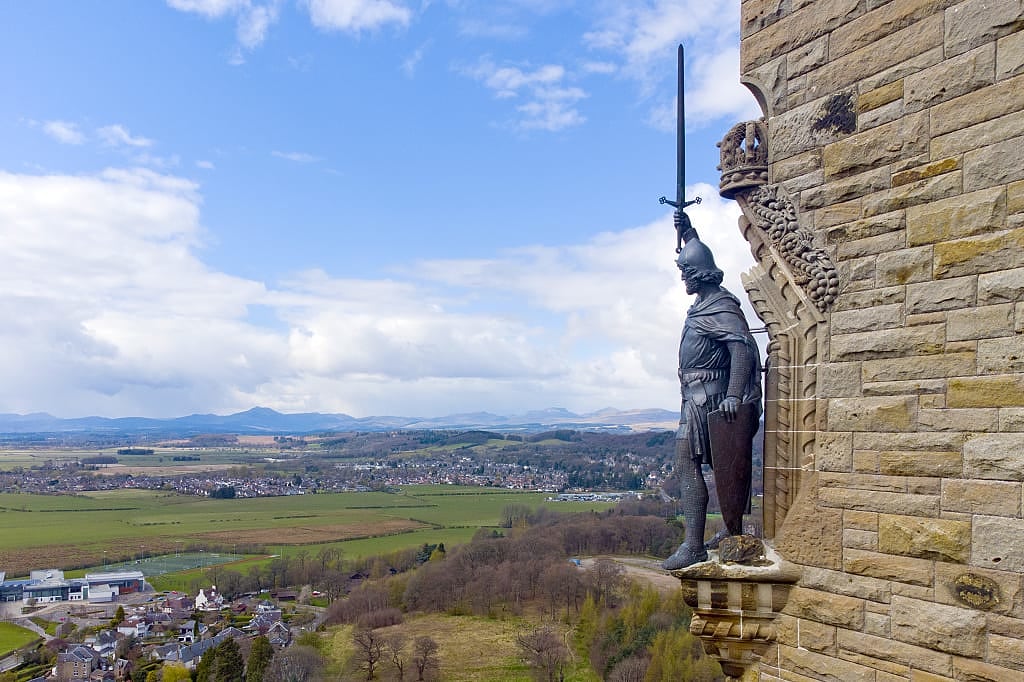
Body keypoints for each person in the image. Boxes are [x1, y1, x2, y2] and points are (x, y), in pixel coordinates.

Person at [662, 210, 762, 571]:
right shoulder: (706, 304)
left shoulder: (719, 305)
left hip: (712, 400)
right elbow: (696, 252)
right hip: (694, 398)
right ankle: (719, 534)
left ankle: (694, 545)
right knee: (696, 465)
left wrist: (734, 393)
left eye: (686, 273)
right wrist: (689, 234)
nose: (683, 279)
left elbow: (740, 347)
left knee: (692, 464)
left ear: (696, 275)